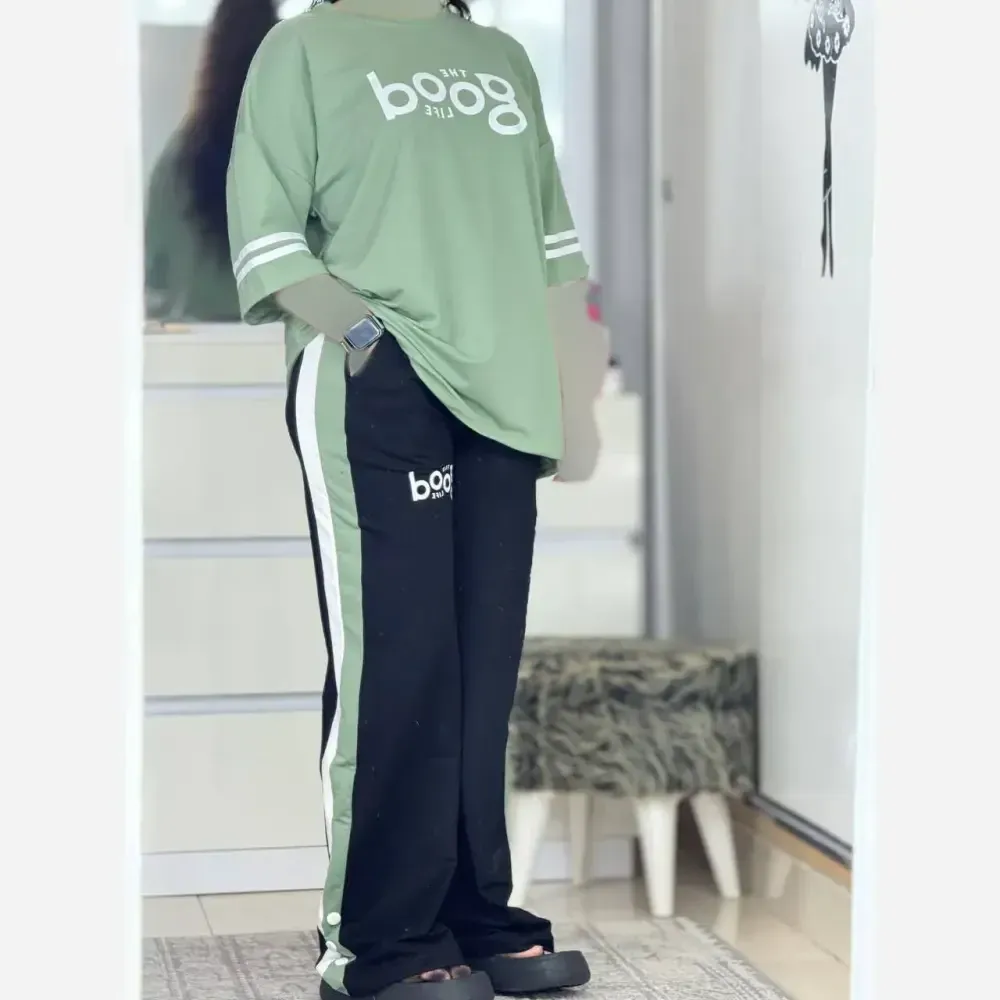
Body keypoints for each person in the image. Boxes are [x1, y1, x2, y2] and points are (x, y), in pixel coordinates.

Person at [226, 2, 607, 999]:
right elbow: (265, 233)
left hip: (506, 392)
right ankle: (378, 940)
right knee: (398, 662)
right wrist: (364, 338)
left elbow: (552, 246)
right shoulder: (303, 49)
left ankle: (473, 916)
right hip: (380, 385)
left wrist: (574, 398)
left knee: (480, 669)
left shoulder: (499, 56)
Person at [144, 0, 280, 321]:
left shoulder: (178, 160)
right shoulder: (307, 156)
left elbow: (153, 276)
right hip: (283, 341)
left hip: (199, 345)